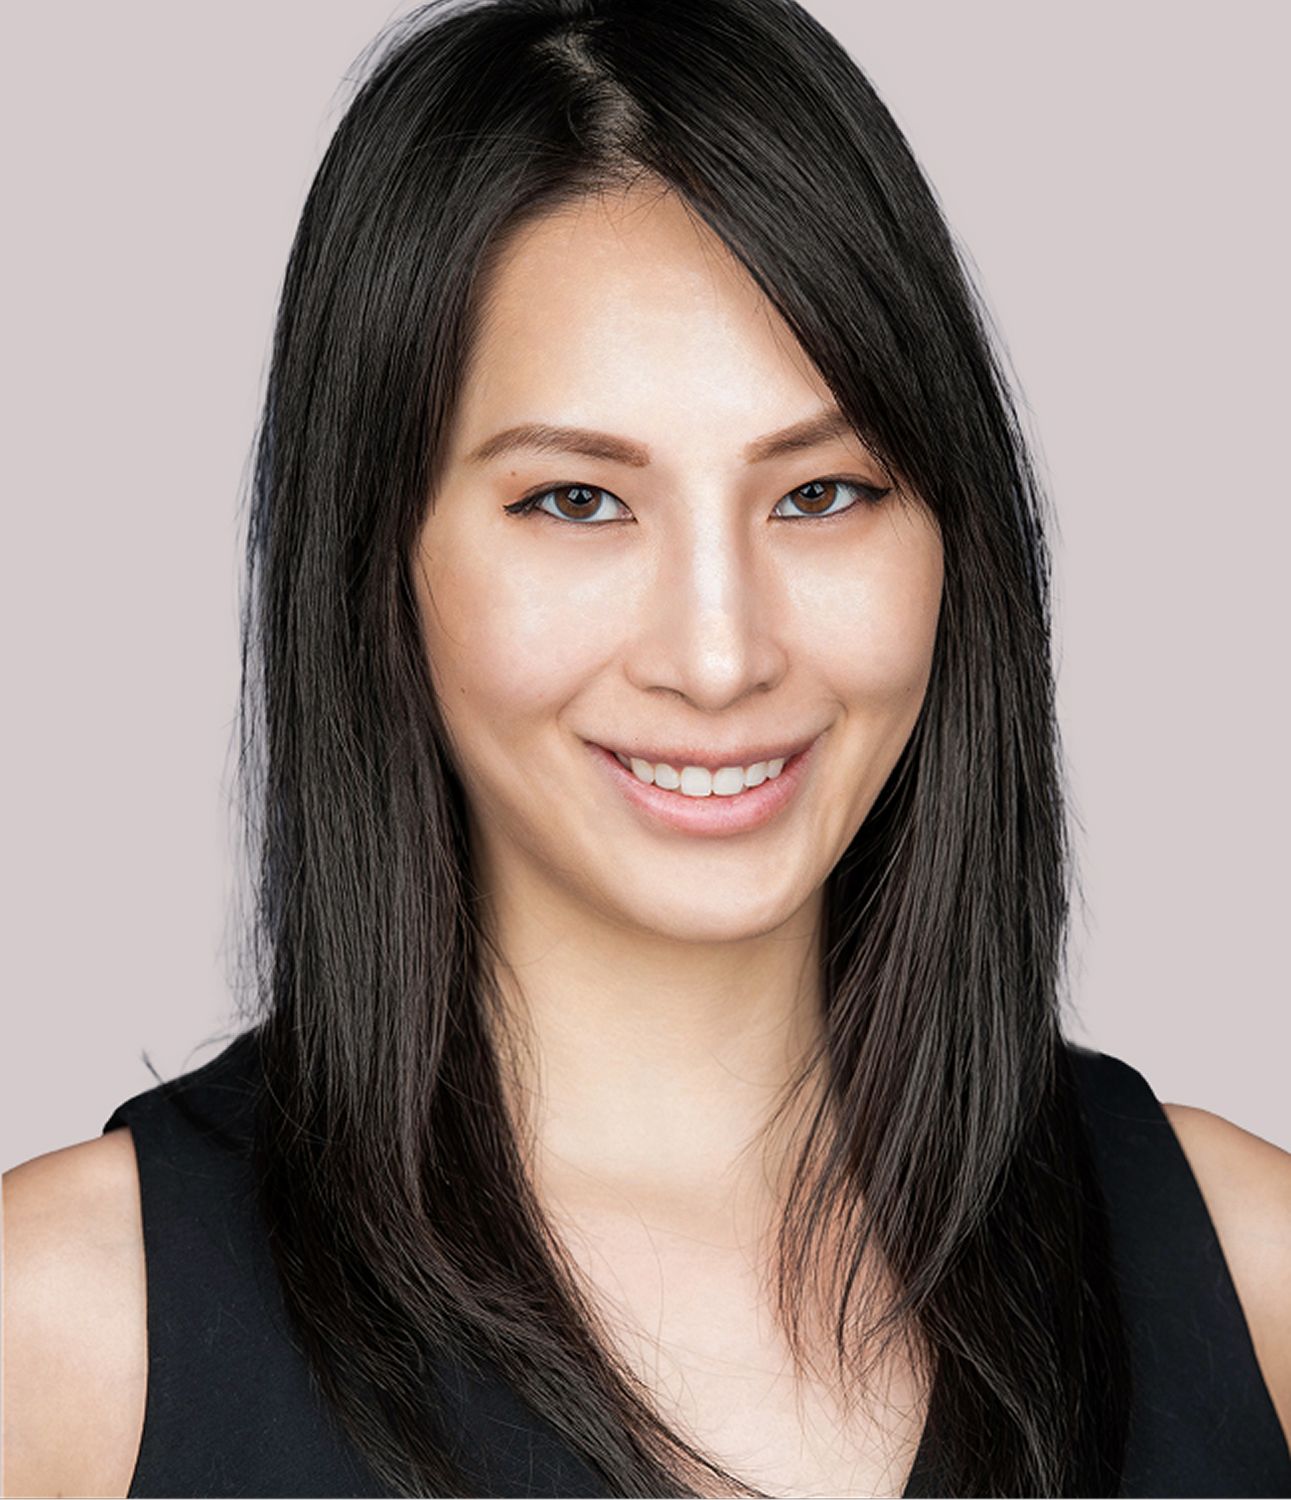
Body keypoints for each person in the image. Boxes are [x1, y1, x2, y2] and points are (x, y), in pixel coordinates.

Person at [4, 0, 1289, 1495]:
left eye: (821, 494)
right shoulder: (71, 1341)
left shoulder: (1246, 1276)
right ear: (379, 560)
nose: (720, 652)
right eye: (577, 501)